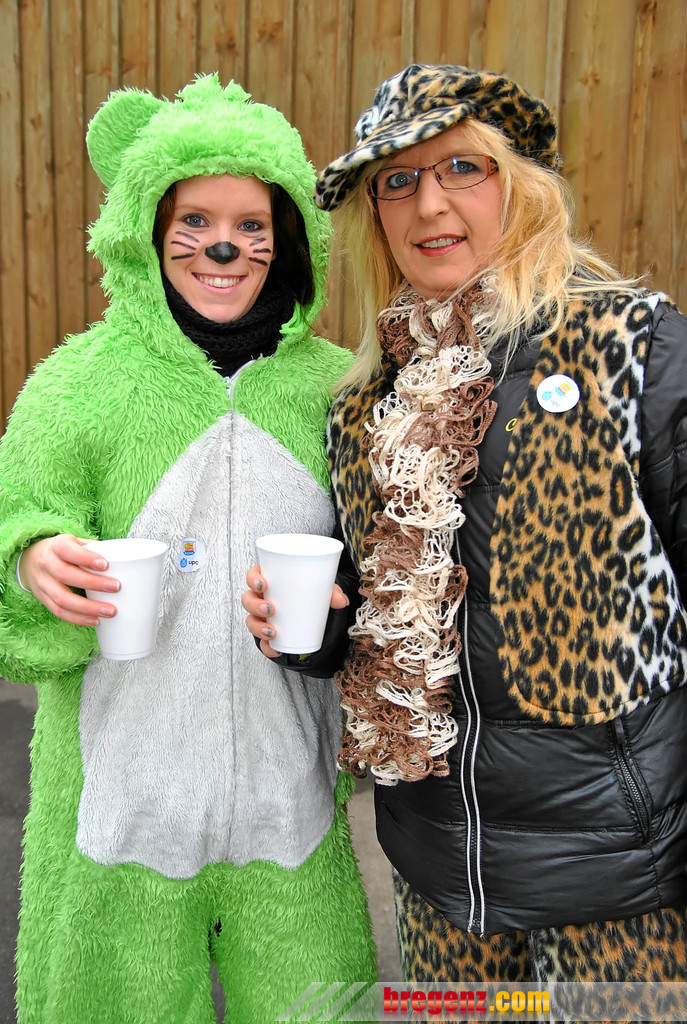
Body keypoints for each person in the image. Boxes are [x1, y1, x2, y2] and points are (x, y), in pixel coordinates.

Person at [245, 63, 687, 994]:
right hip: (434, 861)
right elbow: (373, 617)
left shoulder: (632, 345)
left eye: (461, 169)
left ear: (519, 186)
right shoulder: (367, 401)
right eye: (396, 181)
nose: (428, 204)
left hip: (617, 870)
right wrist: (311, 632)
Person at [0, 74, 376, 1024]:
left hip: (291, 803)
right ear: (145, 227)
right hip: (123, 804)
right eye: (195, 219)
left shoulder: (340, 389)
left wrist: (345, 611)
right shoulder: (77, 385)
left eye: (252, 224)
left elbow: (390, 563)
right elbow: (17, 517)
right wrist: (31, 559)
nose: (222, 246)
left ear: (289, 238)